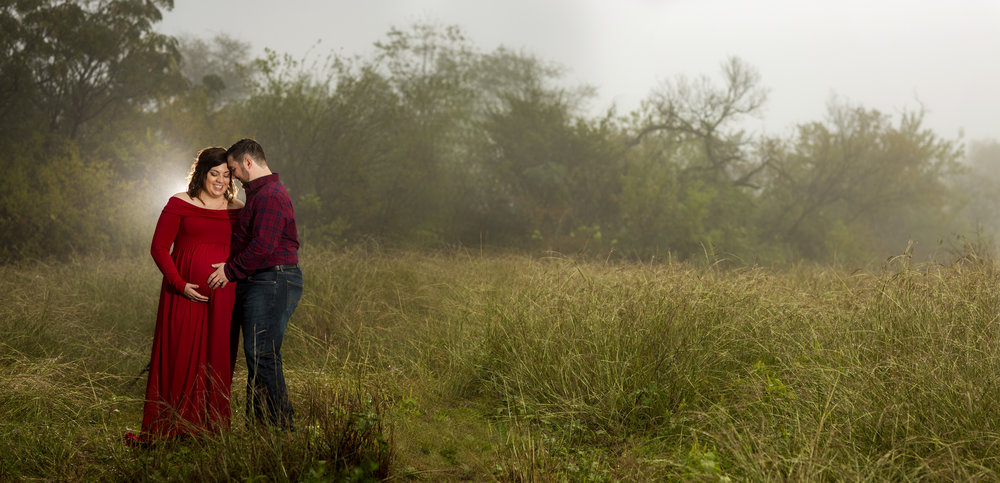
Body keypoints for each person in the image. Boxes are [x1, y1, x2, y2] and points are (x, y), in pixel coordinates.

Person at [136, 147, 244, 443]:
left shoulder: (238, 208)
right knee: (179, 354)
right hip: (182, 294)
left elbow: (247, 250)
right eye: (214, 174)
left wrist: (233, 269)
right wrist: (178, 283)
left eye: (226, 174)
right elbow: (159, 248)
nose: (220, 181)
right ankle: (174, 425)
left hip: (225, 297)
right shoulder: (180, 203)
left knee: (218, 358)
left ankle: (211, 429)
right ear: (201, 173)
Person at [207, 138, 302, 430]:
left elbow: (262, 247)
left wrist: (230, 271)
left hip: (273, 279)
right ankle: (261, 429)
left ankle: (281, 428)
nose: (232, 176)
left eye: (233, 169)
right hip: (262, 280)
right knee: (258, 354)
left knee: (262, 353)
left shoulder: (270, 195)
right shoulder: (258, 194)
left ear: (248, 162)